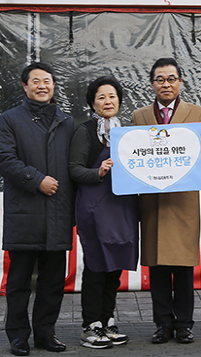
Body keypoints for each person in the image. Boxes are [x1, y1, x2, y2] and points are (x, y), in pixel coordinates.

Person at [0, 62, 74, 356]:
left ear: (54, 86)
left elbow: (74, 165)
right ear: (25, 86)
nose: (43, 86)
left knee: (53, 283)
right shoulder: (9, 119)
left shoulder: (67, 122)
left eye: (48, 81)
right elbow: (4, 159)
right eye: (36, 81)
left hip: (58, 214)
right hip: (24, 214)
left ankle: (45, 334)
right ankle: (18, 336)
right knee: (19, 282)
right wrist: (36, 180)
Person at [131, 57, 201, 345]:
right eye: (160, 79)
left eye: (171, 78)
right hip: (153, 203)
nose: (166, 84)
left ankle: (184, 326)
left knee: (183, 268)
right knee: (158, 269)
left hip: (183, 203)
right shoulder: (139, 116)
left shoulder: (197, 113)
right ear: (152, 84)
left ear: (180, 82)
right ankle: (162, 325)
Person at [68, 76, 138, 349]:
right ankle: (91, 325)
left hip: (122, 207)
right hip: (94, 207)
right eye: (101, 97)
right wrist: (97, 172)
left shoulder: (129, 134)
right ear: (92, 103)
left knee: (115, 267)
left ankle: (107, 321)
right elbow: (74, 169)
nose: (108, 102)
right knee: (97, 267)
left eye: (112, 96)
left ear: (119, 100)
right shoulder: (85, 132)